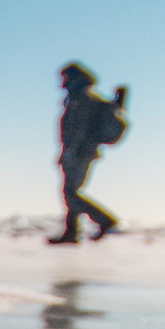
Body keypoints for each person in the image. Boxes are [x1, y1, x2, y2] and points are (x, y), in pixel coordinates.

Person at [49, 63, 125, 244]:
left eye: (65, 77)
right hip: (81, 151)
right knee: (71, 192)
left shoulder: (82, 97)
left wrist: (70, 151)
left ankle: (104, 220)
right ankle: (71, 232)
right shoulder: (82, 96)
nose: (63, 81)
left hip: (80, 152)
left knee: (71, 193)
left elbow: (78, 128)